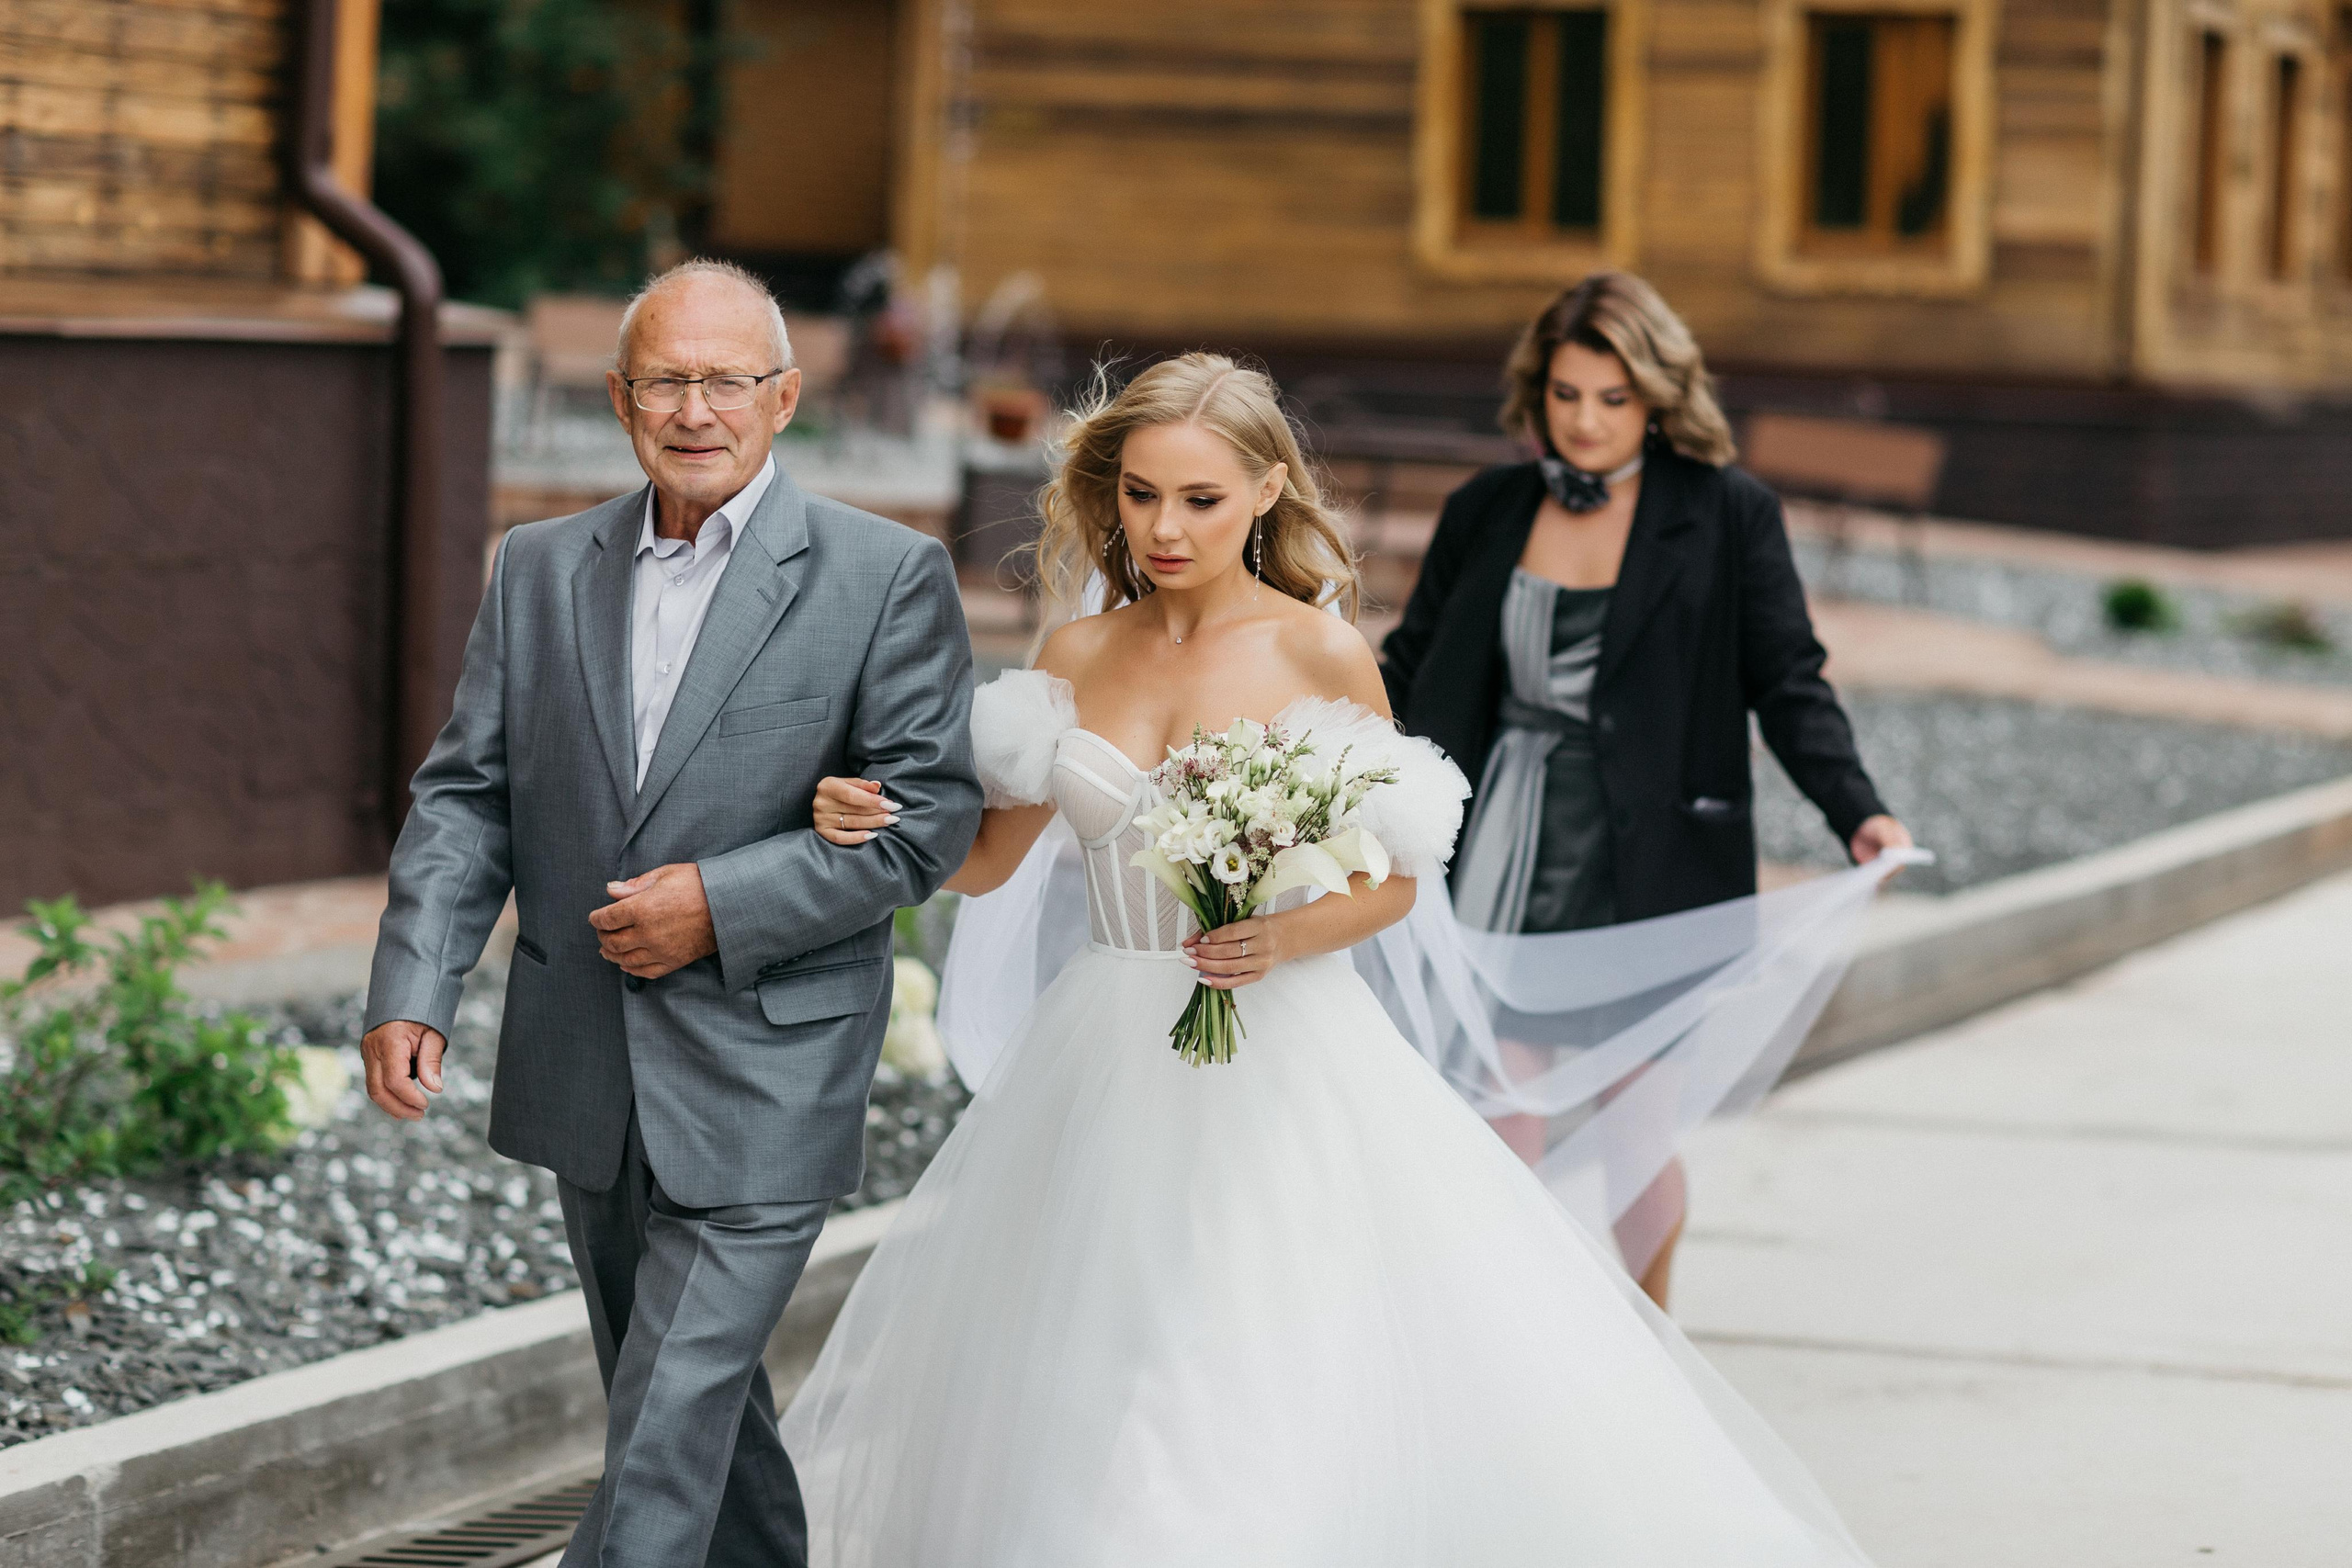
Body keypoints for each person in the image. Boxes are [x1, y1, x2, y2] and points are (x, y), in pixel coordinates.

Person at [790, 354, 1882, 1564]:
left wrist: (1281, 933)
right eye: (1141, 495)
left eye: (1199, 499)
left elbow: (1399, 878)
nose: (1163, 526)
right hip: (1105, 1043)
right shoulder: (1077, 654)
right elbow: (993, 859)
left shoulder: (1317, 651)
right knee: (1094, 1348)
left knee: (1237, 1343)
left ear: (1264, 492)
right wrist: (882, 820)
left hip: (1274, 1042)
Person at [359, 259, 982, 1568]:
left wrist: (722, 899)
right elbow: (469, 793)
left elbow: (927, 820)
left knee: (657, 1437)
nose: (695, 409)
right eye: (665, 380)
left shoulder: (883, 576)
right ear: (619, 395)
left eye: (726, 380)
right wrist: (417, 981)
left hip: (769, 1060)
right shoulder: (536, 567)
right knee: (694, 1408)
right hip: (585, 1056)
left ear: (786, 396)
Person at [1378, 273, 1912, 1307]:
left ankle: (1651, 1341)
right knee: (1500, 1109)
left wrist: (1856, 808)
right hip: (1501, 844)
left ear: (1659, 398)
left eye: (1612, 400)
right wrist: (1327, 762)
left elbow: (1788, 680)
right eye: (1566, 394)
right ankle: (1512, 1341)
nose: (1583, 421)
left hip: (1654, 860)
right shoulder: (1487, 508)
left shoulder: (1726, 514)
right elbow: (1408, 668)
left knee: (1636, 1127)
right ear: (1536, 392)